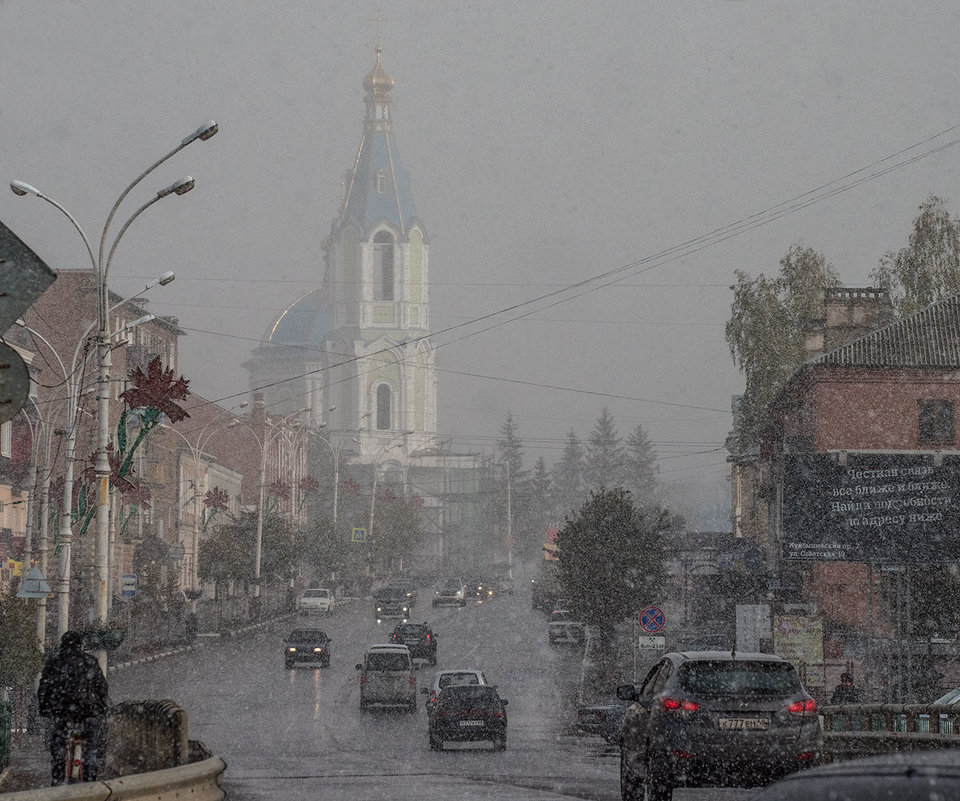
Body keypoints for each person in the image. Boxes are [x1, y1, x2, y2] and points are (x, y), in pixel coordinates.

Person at [37, 630, 110, 785]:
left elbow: (44, 688)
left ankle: (57, 778)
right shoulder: (90, 661)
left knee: (58, 743)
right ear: (80, 645)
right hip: (88, 711)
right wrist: (102, 706)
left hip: (62, 712)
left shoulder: (54, 661)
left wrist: (44, 708)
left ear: (62, 644)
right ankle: (90, 778)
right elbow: (102, 687)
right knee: (91, 743)